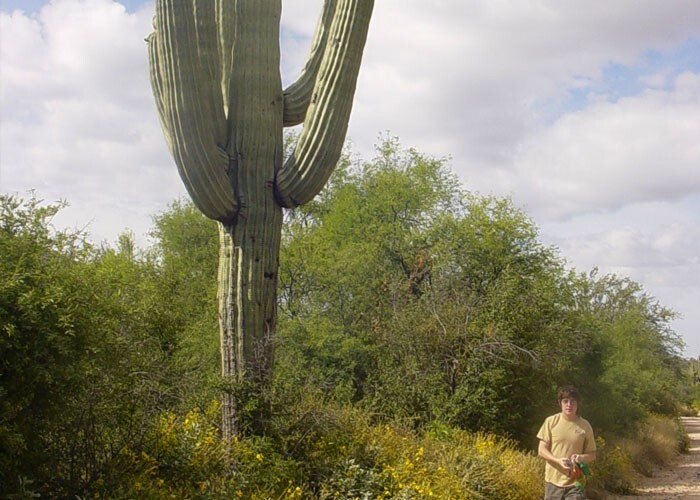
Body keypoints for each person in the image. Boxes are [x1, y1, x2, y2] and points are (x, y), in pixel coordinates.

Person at [537, 386, 597, 500]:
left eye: (573, 401)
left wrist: (580, 457)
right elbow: (541, 450)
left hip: (576, 481)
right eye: (566, 401)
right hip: (553, 481)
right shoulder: (551, 422)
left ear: (577, 404)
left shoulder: (585, 425)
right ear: (560, 403)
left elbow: (592, 455)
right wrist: (557, 460)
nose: (569, 405)